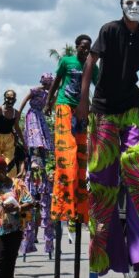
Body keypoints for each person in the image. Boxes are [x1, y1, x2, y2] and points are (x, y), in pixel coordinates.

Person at [76, 0, 139, 275]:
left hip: (131, 108)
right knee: (103, 183)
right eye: (129, 2)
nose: (134, 6)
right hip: (103, 111)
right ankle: (103, 252)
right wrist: (83, 100)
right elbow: (90, 62)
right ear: (122, 6)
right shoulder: (109, 30)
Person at [46, 34, 98, 226]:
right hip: (65, 107)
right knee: (67, 156)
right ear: (76, 47)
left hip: (82, 111)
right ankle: (63, 204)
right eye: (83, 47)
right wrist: (48, 102)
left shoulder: (91, 65)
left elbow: (99, 86)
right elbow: (56, 82)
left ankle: (79, 207)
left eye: (88, 47)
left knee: (81, 157)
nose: (85, 50)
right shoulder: (67, 61)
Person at [0, 90, 25, 178]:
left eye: (12, 98)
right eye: (8, 98)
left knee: (9, 162)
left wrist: (24, 142)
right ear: (5, 98)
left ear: (15, 100)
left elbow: (17, 128)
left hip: (8, 139)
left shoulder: (16, 113)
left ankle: (9, 183)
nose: (10, 100)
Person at [18, 73, 54, 164]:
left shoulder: (48, 94)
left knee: (43, 138)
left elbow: (49, 107)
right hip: (32, 115)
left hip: (40, 115)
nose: (51, 86)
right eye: (50, 84)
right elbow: (25, 100)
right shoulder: (35, 90)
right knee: (35, 135)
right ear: (46, 83)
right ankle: (32, 159)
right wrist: (19, 113)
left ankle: (41, 160)